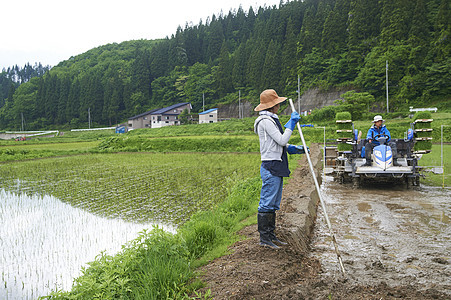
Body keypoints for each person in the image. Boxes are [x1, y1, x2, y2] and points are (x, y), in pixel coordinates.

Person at [253, 89, 306, 249]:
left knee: (274, 203)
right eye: (277, 103)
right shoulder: (265, 121)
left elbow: (278, 144)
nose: (279, 106)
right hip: (271, 166)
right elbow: (281, 140)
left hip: (276, 163)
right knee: (267, 203)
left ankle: (271, 235)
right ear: (272, 105)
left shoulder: (272, 119)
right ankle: (264, 239)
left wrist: (294, 148)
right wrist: (291, 124)